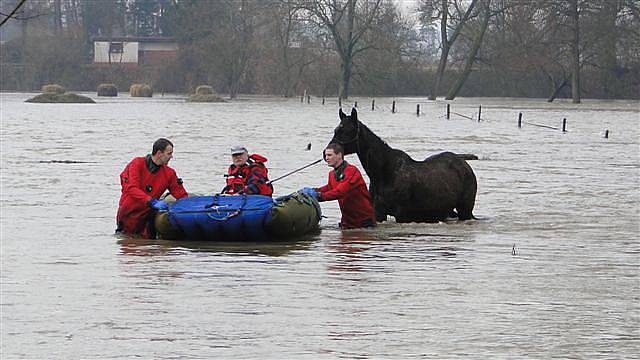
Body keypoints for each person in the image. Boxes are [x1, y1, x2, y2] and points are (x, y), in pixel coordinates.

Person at [116, 138, 188, 238]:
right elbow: (132, 188)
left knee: (150, 248)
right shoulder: (137, 164)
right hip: (128, 214)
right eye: (169, 153)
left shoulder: (169, 173)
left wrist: (191, 207)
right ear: (159, 153)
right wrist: (152, 201)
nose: (171, 157)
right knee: (128, 245)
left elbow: (181, 194)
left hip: (147, 217)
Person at [302, 143, 375, 229]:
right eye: (325, 155)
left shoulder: (352, 171)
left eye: (329, 155)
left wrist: (319, 196)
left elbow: (340, 192)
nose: (326, 158)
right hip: (347, 221)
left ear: (339, 155)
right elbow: (329, 188)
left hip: (364, 221)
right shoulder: (332, 174)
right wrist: (313, 191)